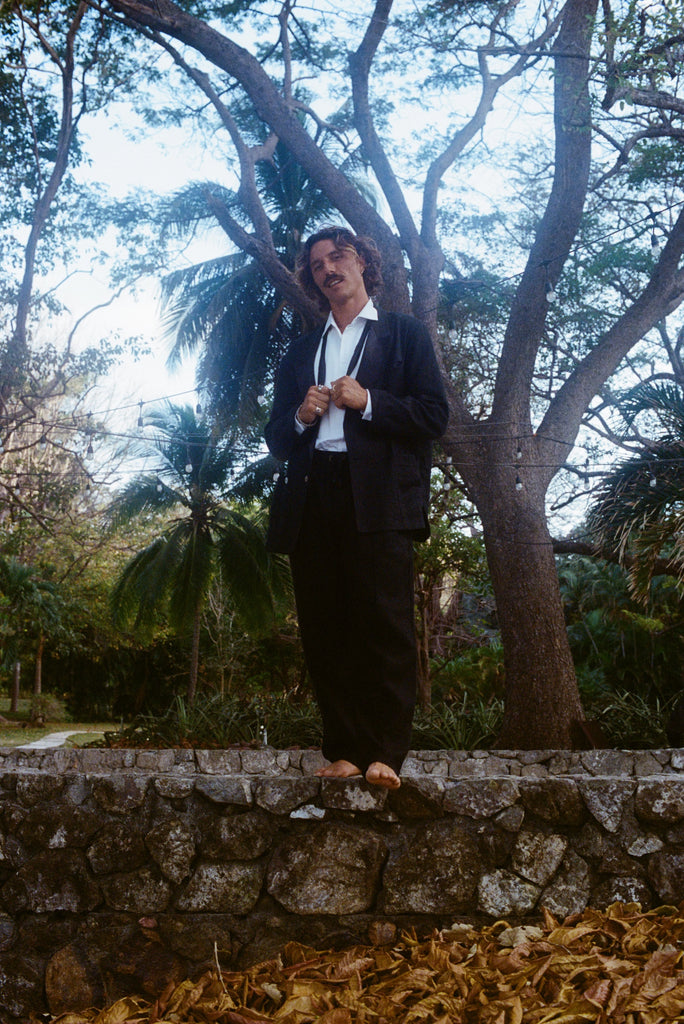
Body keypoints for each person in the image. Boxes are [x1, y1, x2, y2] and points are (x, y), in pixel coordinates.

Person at [264, 226, 448, 789]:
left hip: (381, 496)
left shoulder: (405, 335)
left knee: (384, 624)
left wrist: (368, 401)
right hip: (314, 493)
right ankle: (343, 749)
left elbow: (433, 416)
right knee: (326, 627)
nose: (327, 269)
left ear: (364, 262)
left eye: (338, 257)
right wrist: (300, 415)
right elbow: (276, 437)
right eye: (317, 265)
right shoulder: (301, 350)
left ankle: (386, 753)